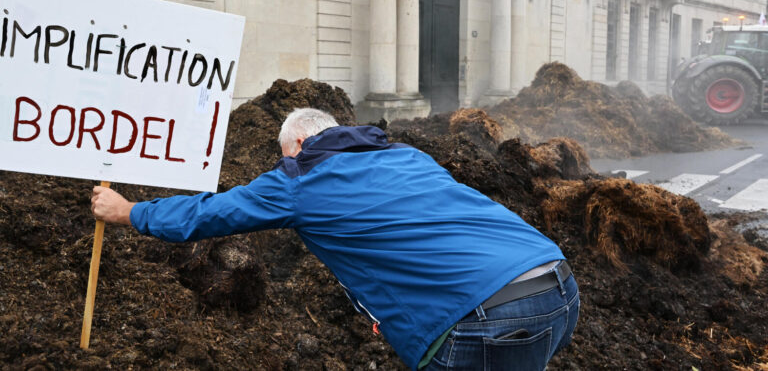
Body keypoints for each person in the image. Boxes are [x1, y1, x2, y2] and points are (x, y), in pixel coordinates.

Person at [92, 107, 579, 370]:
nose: (283, 163)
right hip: (555, 284)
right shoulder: (407, 156)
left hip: (482, 319)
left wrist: (131, 211)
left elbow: (211, 213)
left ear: (299, 145)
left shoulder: (300, 180)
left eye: (284, 154)